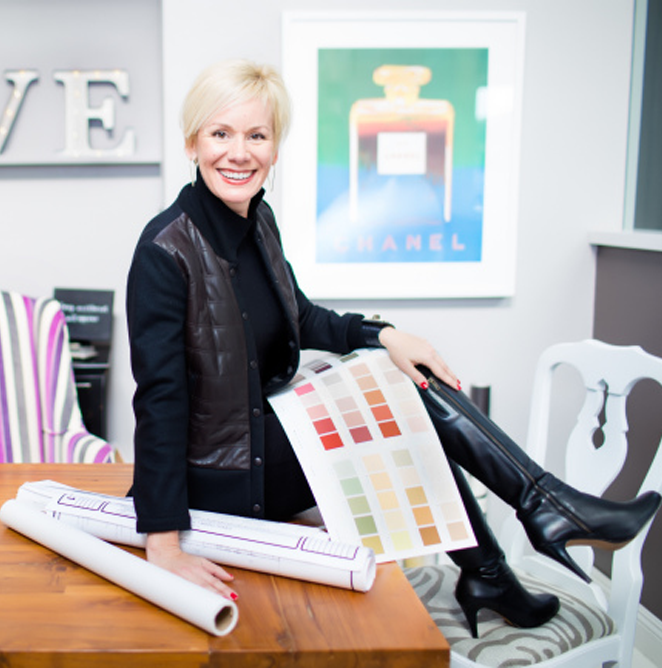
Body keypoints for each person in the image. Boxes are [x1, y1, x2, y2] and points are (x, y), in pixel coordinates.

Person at [125, 58, 661, 637]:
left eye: (257, 135)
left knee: (405, 387)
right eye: (220, 134)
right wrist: (164, 543)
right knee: (408, 406)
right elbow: (160, 400)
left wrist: (383, 336)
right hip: (224, 479)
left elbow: (299, 316)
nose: (239, 152)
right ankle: (530, 523)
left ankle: (499, 562)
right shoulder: (164, 250)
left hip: (265, 442)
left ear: (275, 148)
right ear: (192, 143)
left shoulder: (259, 221)